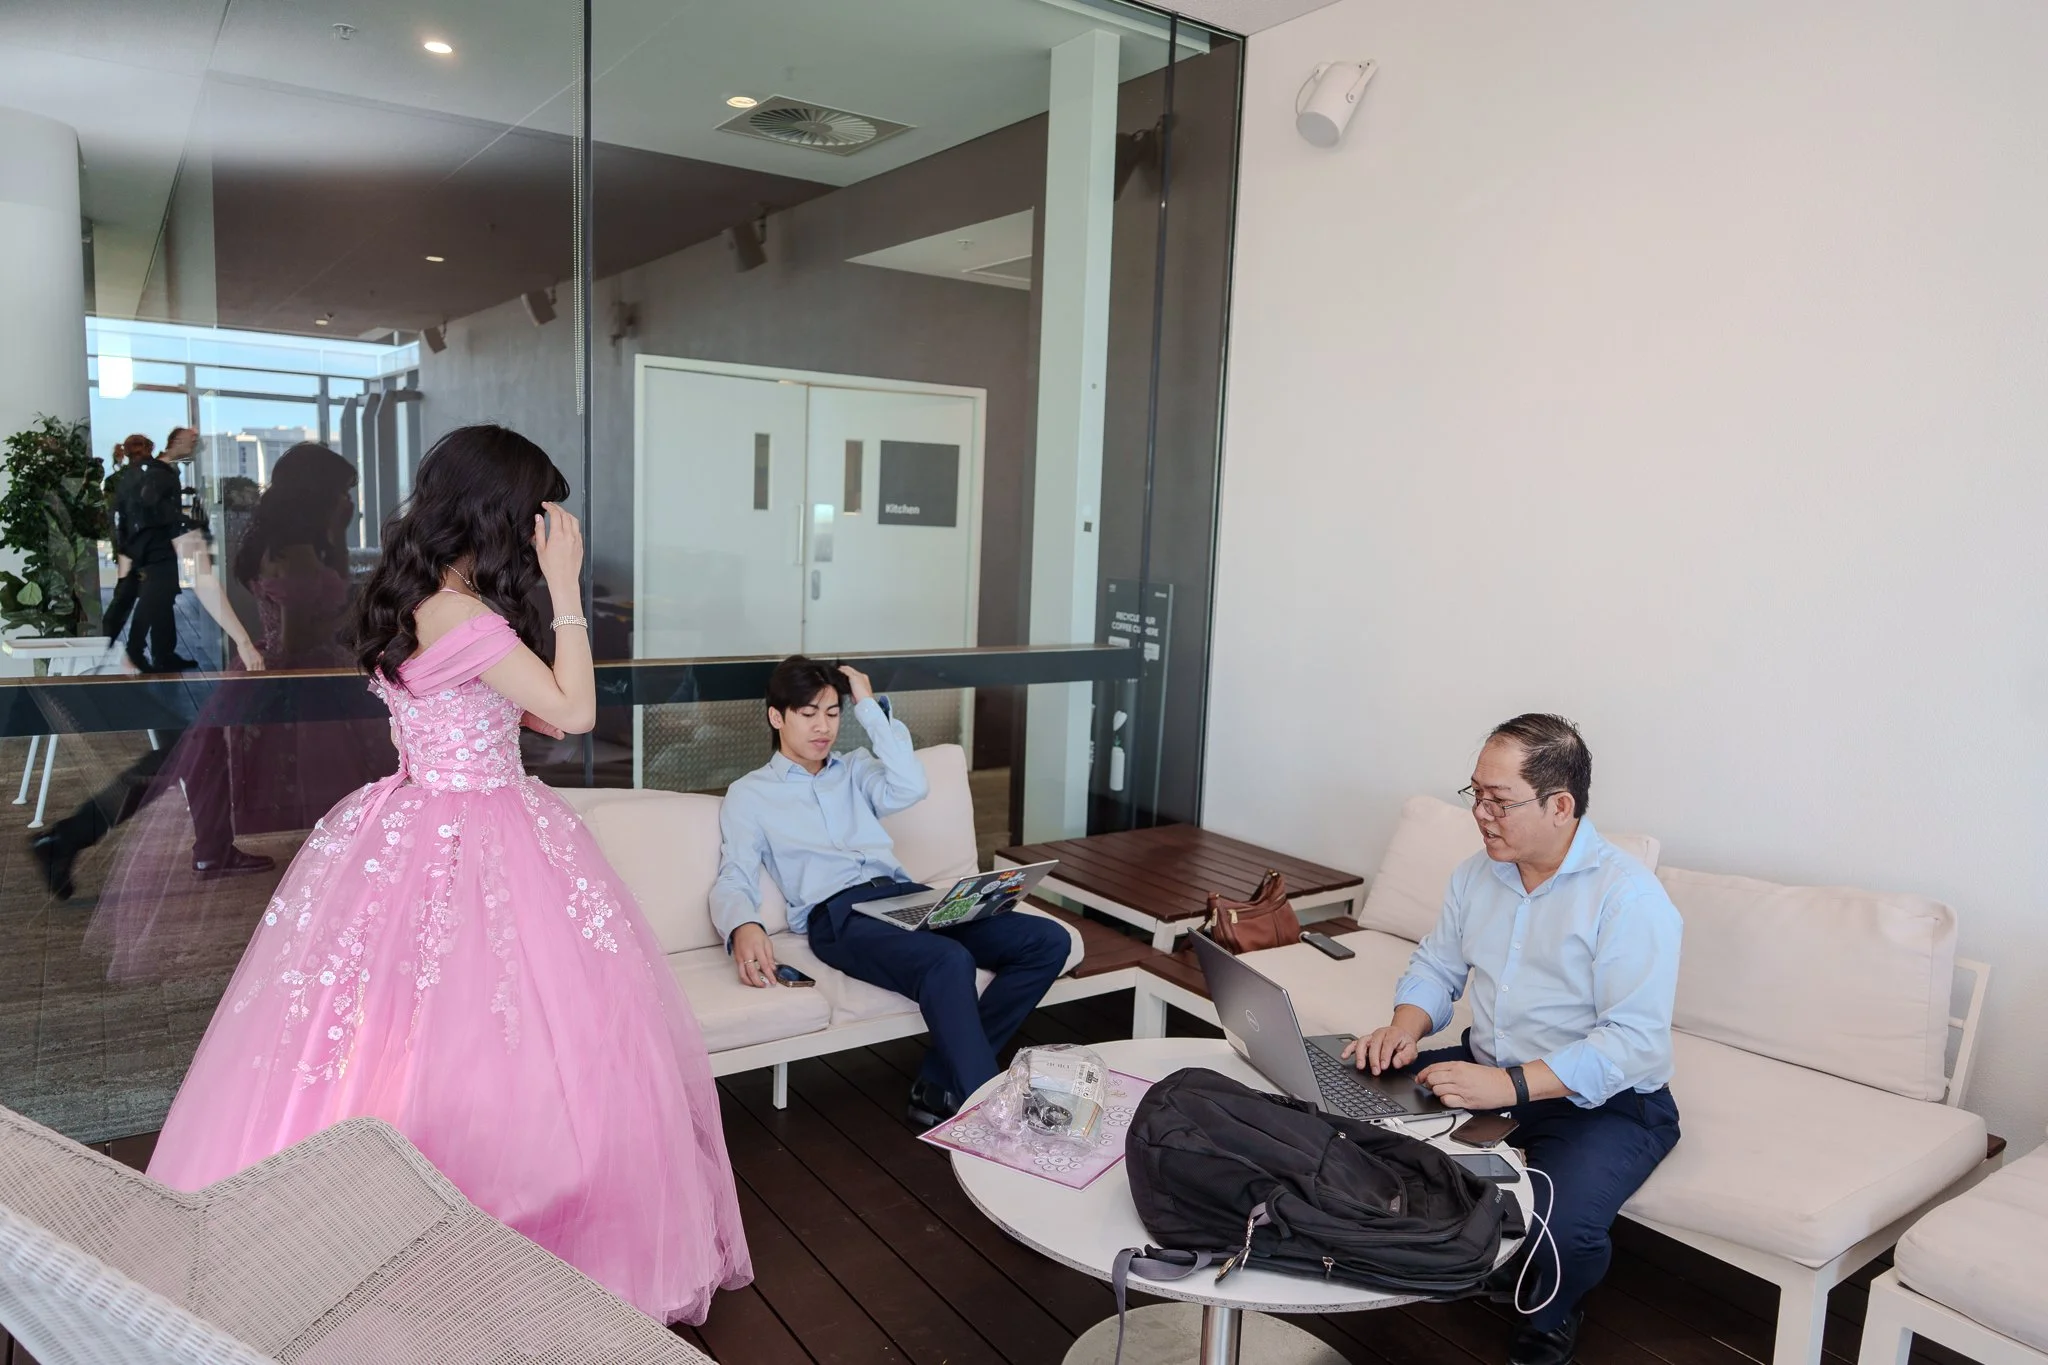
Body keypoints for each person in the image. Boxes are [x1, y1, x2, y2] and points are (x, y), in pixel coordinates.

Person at [144, 424, 751, 1324]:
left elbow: (534, 714)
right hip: (480, 830)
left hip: (413, 820)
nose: (547, 528)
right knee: (491, 1042)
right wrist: (565, 587)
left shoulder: (420, 598)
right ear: (499, 510)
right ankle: (480, 1256)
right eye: (538, 512)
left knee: (402, 1033)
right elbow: (579, 711)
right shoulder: (468, 617)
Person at [1344, 714, 1681, 1365]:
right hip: (1489, 1066)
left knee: (1559, 1227)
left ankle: (1549, 1312)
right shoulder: (1477, 875)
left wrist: (1508, 1086)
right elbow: (1437, 966)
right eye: (1476, 794)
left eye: (1499, 800)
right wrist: (1403, 1029)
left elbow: (1633, 1042)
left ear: (1561, 806)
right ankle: (1424, 1249)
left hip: (1604, 1101)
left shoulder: (1628, 898)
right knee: (1352, 1098)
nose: (1481, 814)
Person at [712, 656, 1072, 1129]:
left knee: (1047, 941)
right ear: (776, 717)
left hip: (906, 897)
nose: (823, 727)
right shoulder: (750, 793)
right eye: (808, 713)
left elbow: (910, 785)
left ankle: (941, 1081)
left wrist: (868, 706)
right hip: (840, 918)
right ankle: (995, 1115)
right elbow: (733, 873)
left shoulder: (855, 768)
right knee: (949, 960)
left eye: (832, 713)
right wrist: (743, 923)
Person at [114, 427, 198, 672]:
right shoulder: (158, 472)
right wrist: (183, 520)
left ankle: (162, 653)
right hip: (154, 546)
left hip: (151, 545)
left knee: (162, 598)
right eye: (191, 441)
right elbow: (149, 503)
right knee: (154, 598)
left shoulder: (153, 471)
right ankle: (136, 651)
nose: (193, 446)